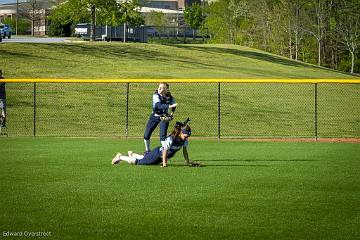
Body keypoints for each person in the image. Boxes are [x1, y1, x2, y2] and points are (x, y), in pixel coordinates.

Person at [112, 120, 200, 167]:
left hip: (160, 157)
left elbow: (185, 152)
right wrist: (165, 164)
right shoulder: (171, 139)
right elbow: (165, 152)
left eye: (188, 136)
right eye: (186, 135)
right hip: (157, 154)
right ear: (181, 132)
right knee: (139, 163)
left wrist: (188, 162)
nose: (187, 137)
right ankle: (120, 156)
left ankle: (132, 154)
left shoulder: (184, 140)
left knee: (145, 159)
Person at [143, 82, 177, 153]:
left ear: (167, 89)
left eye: (163, 88)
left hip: (164, 117)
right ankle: (147, 150)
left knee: (162, 136)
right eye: (159, 87)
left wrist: (171, 113)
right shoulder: (156, 95)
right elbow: (159, 106)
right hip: (154, 116)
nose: (160, 89)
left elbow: (174, 105)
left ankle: (164, 153)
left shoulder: (169, 97)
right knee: (146, 135)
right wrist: (169, 106)